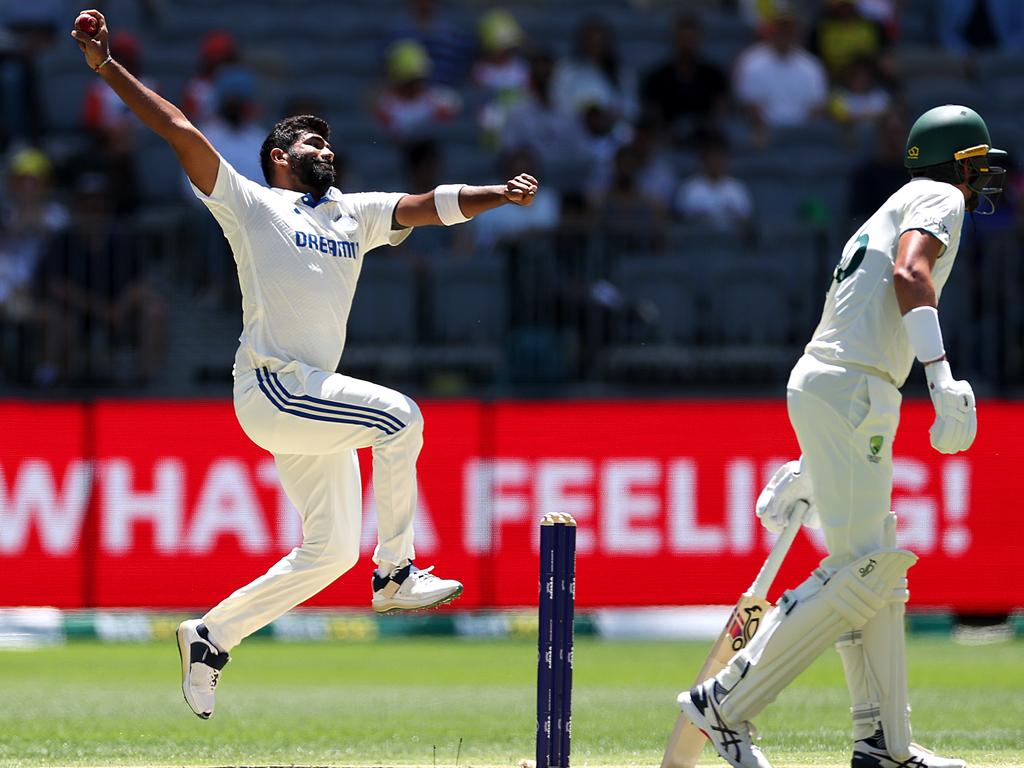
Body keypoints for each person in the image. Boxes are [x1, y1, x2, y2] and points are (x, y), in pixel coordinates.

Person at [71, 9, 538, 719]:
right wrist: (107, 67)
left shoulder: (352, 213)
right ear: (282, 158)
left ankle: (210, 635)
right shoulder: (252, 202)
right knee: (400, 419)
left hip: (308, 401)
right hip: (275, 387)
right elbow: (180, 132)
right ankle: (397, 572)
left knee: (326, 555)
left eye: (328, 142)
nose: (328, 151)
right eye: (315, 143)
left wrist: (496, 195)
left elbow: (427, 206)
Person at [676, 104, 1004, 768]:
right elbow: (910, 274)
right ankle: (724, 704)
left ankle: (884, 744)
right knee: (861, 571)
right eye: (979, 167)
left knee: (877, 570)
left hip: (840, 386)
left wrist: (814, 457)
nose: (982, 182)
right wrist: (940, 380)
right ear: (962, 164)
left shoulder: (896, 199)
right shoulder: (939, 196)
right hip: (854, 389)